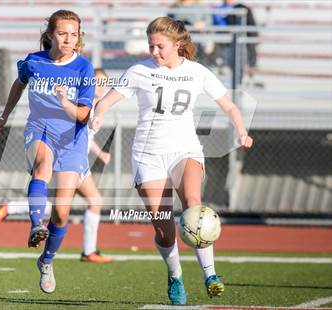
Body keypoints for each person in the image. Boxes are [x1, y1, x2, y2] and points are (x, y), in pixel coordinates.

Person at [91, 16, 253, 305]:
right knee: (163, 227)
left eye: (160, 46)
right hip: (148, 155)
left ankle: (210, 274)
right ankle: (175, 275)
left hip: (184, 149)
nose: (154, 52)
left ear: (178, 44)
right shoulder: (139, 70)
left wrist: (241, 130)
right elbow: (108, 99)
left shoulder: (197, 72)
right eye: (151, 46)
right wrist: (99, 113)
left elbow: (229, 105)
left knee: (194, 205)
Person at [0, 10, 96, 294]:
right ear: (50, 34)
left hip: (72, 138)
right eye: (62, 33)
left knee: (62, 213)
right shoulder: (33, 62)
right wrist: (5, 115)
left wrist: (65, 103)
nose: (68, 39)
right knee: (43, 167)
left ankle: (46, 261)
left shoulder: (84, 68)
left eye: (73, 34)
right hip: (39, 128)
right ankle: (36, 224)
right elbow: (19, 83)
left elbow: (83, 115)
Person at [0, 69, 113, 264]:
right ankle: (86, 251)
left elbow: (87, 137)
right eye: (97, 82)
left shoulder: (99, 105)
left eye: (104, 83)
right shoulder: (84, 100)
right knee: (86, 202)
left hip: (77, 158)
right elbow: (75, 127)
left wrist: (99, 153)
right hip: (69, 156)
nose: (101, 87)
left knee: (68, 205)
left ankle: (12, 208)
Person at [168, 0, 217, 67]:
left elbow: (208, 22)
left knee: (198, 59)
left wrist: (203, 24)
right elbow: (169, 22)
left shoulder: (201, 7)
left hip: (197, 39)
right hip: (180, 38)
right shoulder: (175, 6)